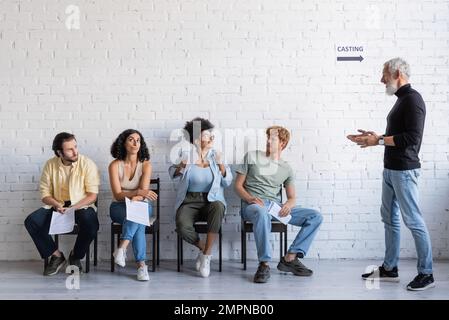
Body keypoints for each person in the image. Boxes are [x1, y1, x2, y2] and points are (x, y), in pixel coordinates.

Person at [347, 57, 434, 291]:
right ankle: (390, 268)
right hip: (391, 170)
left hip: (405, 171)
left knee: (413, 221)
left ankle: (426, 274)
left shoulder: (413, 99)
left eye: (384, 74)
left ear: (397, 73)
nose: (381, 79)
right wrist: (376, 136)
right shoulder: (401, 100)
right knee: (390, 219)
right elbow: (397, 135)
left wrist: (378, 141)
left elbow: (412, 139)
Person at [235, 126, 323, 283]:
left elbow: (292, 197)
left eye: (273, 138)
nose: (268, 140)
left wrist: (288, 205)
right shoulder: (251, 156)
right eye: (268, 137)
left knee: (315, 216)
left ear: (282, 143)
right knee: (261, 212)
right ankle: (264, 264)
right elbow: (238, 186)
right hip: (252, 206)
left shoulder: (286, 168)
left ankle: (290, 258)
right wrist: (249, 198)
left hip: (274, 207)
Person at [24, 132, 100, 275]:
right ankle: (57, 256)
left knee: (91, 224)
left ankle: (76, 256)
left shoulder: (87, 164)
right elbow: (45, 194)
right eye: (70, 149)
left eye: (75, 147)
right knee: (32, 221)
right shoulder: (50, 165)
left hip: (81, 205)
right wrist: (56, 204)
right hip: (57, 206)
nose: (75, 151)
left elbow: (92, 195)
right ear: (60, 152)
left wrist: (73, 208)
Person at [169, 117, 232, 277]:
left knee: (218, 206)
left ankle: (207, 256)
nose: (211, 137)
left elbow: (227, 182)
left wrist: (221, 165)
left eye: (212, 135)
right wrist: (182, 166)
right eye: (206, 135)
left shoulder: (217, 156)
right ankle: (204, 250)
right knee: (182, 226)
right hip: (189, 200)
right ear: (196, 139)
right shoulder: (186, 155)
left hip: (211, 200)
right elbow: (172, 173)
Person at [109, 129, 158, 281]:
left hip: (141, 204)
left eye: (138, 140)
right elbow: (118, 195)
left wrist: (137, 196)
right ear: (123, 143)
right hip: (119, 206)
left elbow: (144, 192)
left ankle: (122, 248)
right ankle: (141, 266)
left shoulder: (146, 165)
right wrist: (137, 193)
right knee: (139, 218)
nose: (136, 143)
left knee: (138, 213)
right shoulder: (114, 165)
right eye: (131, 139)